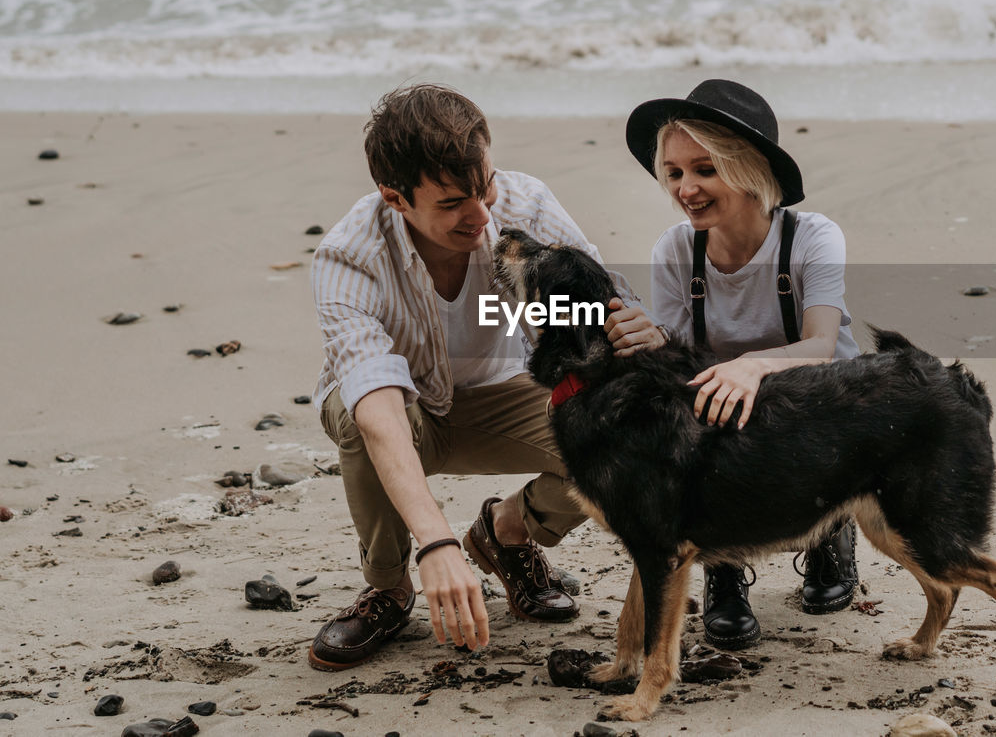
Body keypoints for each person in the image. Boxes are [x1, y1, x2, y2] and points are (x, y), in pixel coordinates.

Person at [307, 83, 663, 670]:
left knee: (625, 431)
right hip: (404, 411)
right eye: (452, 204)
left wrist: (634, 326)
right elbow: (376, 405)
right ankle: (390, 591)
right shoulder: (350, 256)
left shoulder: (525, 204)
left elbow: (597, 305)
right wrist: (436, 544)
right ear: (395, 199)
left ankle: (506, 532)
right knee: (355, 411)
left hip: (504, 395)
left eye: (486, 186)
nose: (482, 216)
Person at [626, 79, 861, 650]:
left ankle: (831, 529)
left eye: (705, 169)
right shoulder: (675, 251)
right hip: (724, 404)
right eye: (675, 172)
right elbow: (677, 356)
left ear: (751, 168)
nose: (687, 188)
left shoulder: (813, 238)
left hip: (820, 400)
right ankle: (722, 571)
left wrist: (751, 366)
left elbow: (822, 344)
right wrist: (641, 336)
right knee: (687, 412)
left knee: (816, 410)